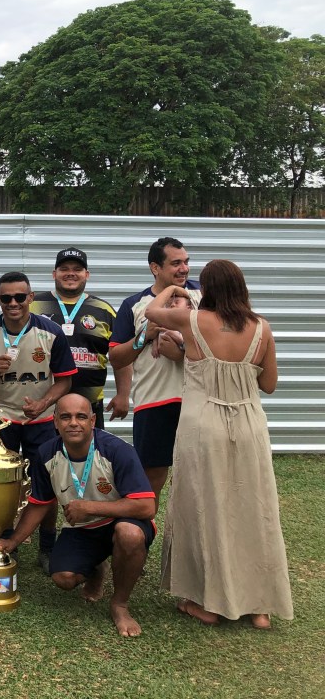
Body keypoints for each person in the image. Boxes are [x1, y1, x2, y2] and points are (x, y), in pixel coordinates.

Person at [146, 259, 293, 629]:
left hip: (203, 423)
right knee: (253, 509)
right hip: (249, 424)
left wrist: (175, 291)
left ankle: (208, 603)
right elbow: (269, 385)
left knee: (204, 507)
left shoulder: (194, 321)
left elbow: (151, 311)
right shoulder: (262, 328)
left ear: (207, 289)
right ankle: (259, 607)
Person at [0, 394, 156, 637]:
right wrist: (13, 541)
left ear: (92, 421)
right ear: (55, 422)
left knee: (129, 534)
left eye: (81, 416)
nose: (74, 423)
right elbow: (40, 504)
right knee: (63, 578)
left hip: (121, 523)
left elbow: (146, 506)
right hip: (83, 529)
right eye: (66, 417)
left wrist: (90, 507)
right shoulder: (46, 454)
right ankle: (96, 568)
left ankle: (120, 605)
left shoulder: (117, 450)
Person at [0, 271, 76, 572]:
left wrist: (43, 404)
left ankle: (47, 545)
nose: (13, 303)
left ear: (30, 297)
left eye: (19, 297)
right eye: (6, 298)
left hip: (40, 421)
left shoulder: (50, 331)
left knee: (46, 482)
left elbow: (64, 380)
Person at [109, 237, 201, 504]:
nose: (184, 269)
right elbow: (116, 357)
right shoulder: (134, 305)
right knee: (151, 482)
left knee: (199, 481)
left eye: (186, 262)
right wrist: (144, 337)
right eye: (175, 263)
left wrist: (182, 345)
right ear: (155, 268)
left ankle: (197, 545)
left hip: (197, 402)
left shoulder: (202, 296)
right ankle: (140, 541)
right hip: (153, 402)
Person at [29, 247, 132, 428]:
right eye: (64, 269)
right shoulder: (33, 306)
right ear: (54, 274)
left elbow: (121, 355)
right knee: (44, 456)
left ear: (87, 274)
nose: (71, 274)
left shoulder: (104, 310)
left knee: (90, 456)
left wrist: (123, 395)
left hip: (89, 406)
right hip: (42, 407)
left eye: (77, 269)